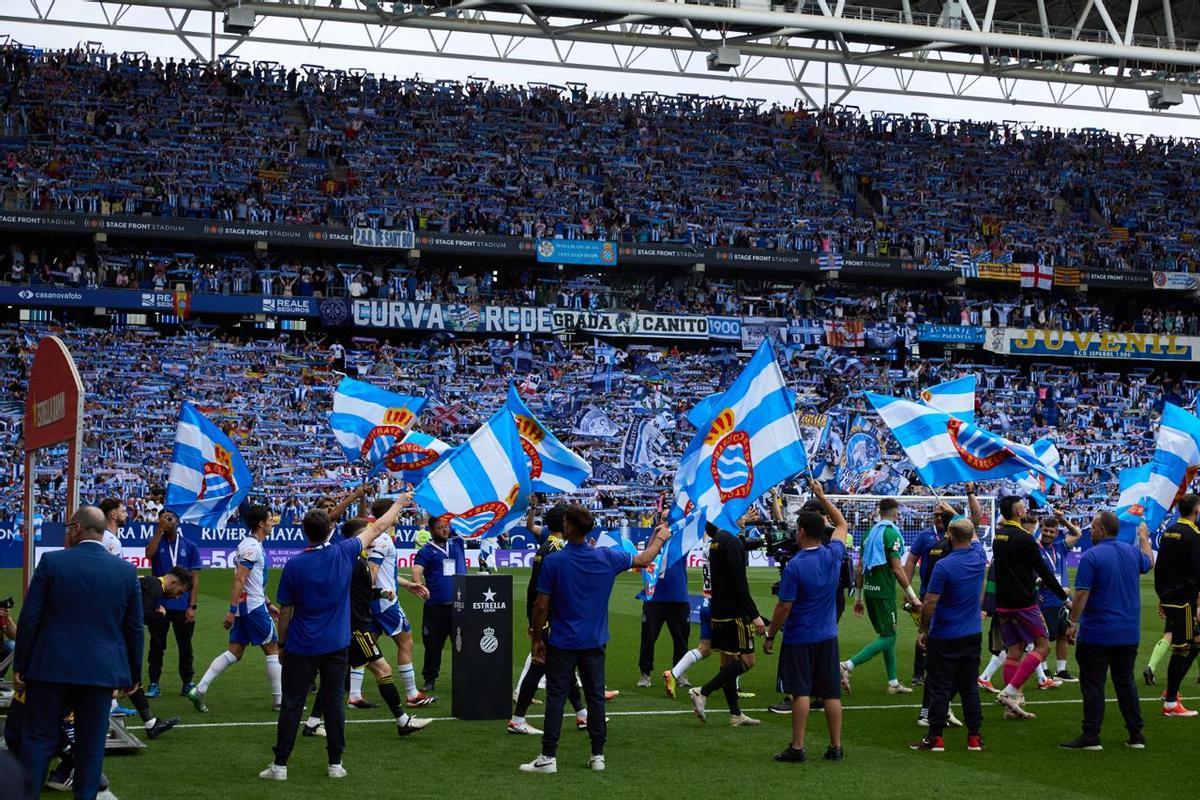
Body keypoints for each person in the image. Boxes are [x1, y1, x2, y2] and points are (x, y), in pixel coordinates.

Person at [260, 493, 413, 781]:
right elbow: (378, 527)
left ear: (304, 533)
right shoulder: (344, 552)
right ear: (330, 530)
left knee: (292, 703)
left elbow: (285, 613)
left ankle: (280, 765)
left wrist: (282, 645)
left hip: (302, 645)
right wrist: (400, 503)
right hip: (335, 643)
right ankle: (335, 764)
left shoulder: (293, 566)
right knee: (333, 702)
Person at [518, 505, 669, 774]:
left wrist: (536, 639)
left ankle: (548, 757)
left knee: (556, 697)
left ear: (569, 528)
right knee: (595, 697)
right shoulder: (606, 557)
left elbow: (541, 605)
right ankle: (597, 755)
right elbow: (645, 558)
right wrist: (660, 536)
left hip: (563, 641)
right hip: (595, 640)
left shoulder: (555, 561)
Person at [14, 506, 142, 800]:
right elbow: (134, 629)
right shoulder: (124, 571)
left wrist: (21, 665)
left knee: (38, 742)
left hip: (50, 669)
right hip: (100, 673)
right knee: (91, 746)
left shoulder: (52, 562)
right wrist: (133, 675)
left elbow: (30, 618)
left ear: (76, 529)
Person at [763, 479, 848, 763]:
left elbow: (783, 607)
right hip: (828, 634)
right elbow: (842, 524)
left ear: (801, 533)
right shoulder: (833, 555)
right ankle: (836, 747)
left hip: (800, 636)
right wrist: (822, 497)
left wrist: (771, 635)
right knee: (830, 694)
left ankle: (798, 747)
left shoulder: (796, 565)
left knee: (800, 691)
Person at [1060, 512, 1153, 750]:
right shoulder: (1131, 552)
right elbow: (1149, 562)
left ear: (1102, 530)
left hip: (1098, 632)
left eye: (1093, 528)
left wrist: (1072, 622)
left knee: (1093, 685)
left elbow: (1081, 594)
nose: (1091, 532)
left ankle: (1091, 736)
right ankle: (1136, 734)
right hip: (1127, 633)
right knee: (1125, 683)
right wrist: (1144, 537)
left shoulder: (1092, 556)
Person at [188, 505, 282, 713]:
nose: (272, 522)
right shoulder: (252, 547)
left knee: (235, 652)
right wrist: (231, 610)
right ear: (260, 524)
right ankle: (279, 701)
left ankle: (200, 690)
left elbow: (251, 581)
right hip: (251, 606)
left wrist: (268, 603)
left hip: (249, 604)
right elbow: (240, 579)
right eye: (269, 519)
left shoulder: (250, 545)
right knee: (273, 649)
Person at [344, 517, 432, 736]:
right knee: (399, 648)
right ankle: (409, 701)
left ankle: (346, 700)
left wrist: (382, 590)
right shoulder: (367, 553)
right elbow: (371, 577)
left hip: (360, 615)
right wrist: (378, 593)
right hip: (361, 619)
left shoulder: (355, 556)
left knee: (338, 668)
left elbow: (377, 579)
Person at [909, 517, 987, 753]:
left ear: (950, 537)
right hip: (972, 633)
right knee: (969, 687)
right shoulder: (979, 556)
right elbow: (973, 535)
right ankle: (974, 736)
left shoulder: (944, 565)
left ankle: (936, 737)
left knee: (940, 685)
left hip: (945, 634)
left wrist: (923, 630)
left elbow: (930, 602)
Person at [510, 502, 587, 736]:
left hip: (546, 619)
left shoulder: (548, 546)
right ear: (566, 523)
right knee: (540, 666)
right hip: (551, 619)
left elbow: (534, 588)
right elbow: (548, 591)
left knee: (564, 666)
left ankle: (583, 715)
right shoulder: (556, 550)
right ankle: (518, 718)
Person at [991, 496, 1068, 720]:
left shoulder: (999, 536)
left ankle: (1011, 708)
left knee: (1015, 650)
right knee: (1043, 646)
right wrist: (1062, 594)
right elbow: (1044, 571)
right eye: (1022, 506)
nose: (1025, 507)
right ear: (1017, 512)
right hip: (1023, 602)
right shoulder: (1025, 539)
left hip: (1003, 603)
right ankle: (1010, 691)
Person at [688, 521, 765, 727]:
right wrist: (755, 615)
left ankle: (736, 714)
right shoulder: (730, 542)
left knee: (728, 664)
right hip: (735, 614)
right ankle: (702, 691)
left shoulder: (716, 542)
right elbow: (738, 582)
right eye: (740, 515)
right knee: (747, 661)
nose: (743, 519)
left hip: (718, 610)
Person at [841, 498, 920, 695]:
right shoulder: (891, 533)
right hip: (884, 593)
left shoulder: (869, 533)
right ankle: (848, 665)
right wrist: (912, 596)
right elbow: (897, 569)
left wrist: (858, 598)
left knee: (887, 635)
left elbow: (860, 568)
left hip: (869, 592)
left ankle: (893, 682)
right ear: (895, 514)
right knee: (889, 637)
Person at [366, 498, 436, 708]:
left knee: (366, 645)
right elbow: (373, 571)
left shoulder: (376, 537)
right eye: (396, 510)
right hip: (385, 602)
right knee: (406, 642)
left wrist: (406, 584)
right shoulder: (382, 540)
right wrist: (370, 592)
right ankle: (412, 694)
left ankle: (353, 694)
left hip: (376, 600)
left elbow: (384, 573)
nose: (399, 514)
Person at [124, 566, 193, 740]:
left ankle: (151, 723)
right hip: (117, 636)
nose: (178, 596)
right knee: (124, 679)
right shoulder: (154, 587)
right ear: (173, 582)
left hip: (116, 633)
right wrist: (161, 615)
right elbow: (143, 615)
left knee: (131, 680)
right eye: (179, 592)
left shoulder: (150, 585)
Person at [1152, 493, 1200, 717]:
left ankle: (1171, 693)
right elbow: (1196, 572)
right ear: (1196, 510)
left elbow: (1160, 569)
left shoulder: (1170, 531)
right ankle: (1171, 700)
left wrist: (1163, 597)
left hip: (1169, 597)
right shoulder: (1193, 534)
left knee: (1192, 642)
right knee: (1182, 648)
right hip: (1185, 601)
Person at [144, 510, 201, 698]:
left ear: (177, 521)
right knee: (157, 645)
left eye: (171, 518)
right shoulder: (157, 541)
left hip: (183, 606)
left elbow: (195, 578)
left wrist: (192, 606)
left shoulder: (189, 546)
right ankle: (154, 682)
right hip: (159, 605)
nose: (168, 521)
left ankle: (187, 682)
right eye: (164, 518)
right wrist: (159, 530)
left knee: (185, 646)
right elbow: (148, 555)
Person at [411, 514, 466, 693]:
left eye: (446, 526)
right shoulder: (426, 551)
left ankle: (466, 676)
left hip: (459, 605)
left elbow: (460, 518)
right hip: (435, 607)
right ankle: (430, 679)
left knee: (463, 645)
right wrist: (419, 584)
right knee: (433, 646)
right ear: (431, 530)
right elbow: (417, 571)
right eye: (440, 527)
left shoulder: (456, 542)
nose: (445, 530)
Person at [1036, 509, 1083, 685]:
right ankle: (1045, 670)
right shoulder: (1034, 548)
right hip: (1043, 599)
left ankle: (1061, 670)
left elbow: (1077, 533)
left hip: (1061, 600)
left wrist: (1063, 520)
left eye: (1052, 531)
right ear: (1041, 529)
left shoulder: (1060, 547)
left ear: (1057, 533)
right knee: (1044, 638)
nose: (1048, 534)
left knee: (1063, 635)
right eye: (1045, 530)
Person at [637, 538, 690, 689]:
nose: (666, 522)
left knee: (681, 640)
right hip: (654, 599)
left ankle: (679, 673)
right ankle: (645, 673)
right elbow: (645, 559)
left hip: (678, 599)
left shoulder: (681, 541)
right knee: (648, 638)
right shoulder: (653, 543)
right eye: (663, 518)